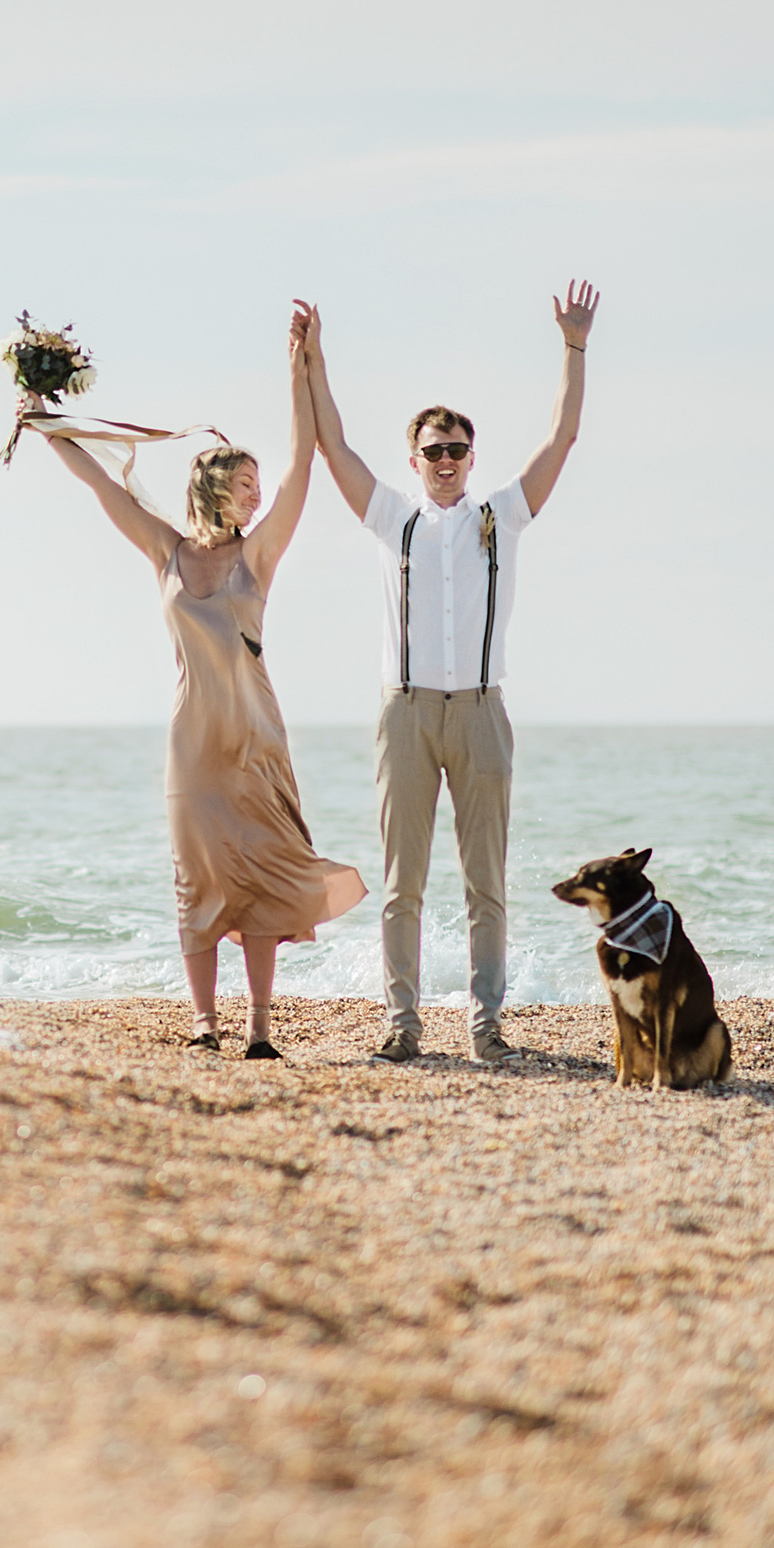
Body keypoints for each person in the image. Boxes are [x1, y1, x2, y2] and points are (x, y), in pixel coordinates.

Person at [30, 315, 366, 1059]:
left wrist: (300, 366)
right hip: (193, 746)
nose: (256, 496)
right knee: (198, 878)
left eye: (257, 486)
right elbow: (93, 480)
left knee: (259, 879)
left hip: (253, 740)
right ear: (214, 488)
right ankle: (204, 1024)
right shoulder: (168, 551)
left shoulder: (260, 555)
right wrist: (41, 413)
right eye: (244, 486)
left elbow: (304, 465)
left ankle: (259, 1030)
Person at [297, 282, 599, 1064]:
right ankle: (402, 1025)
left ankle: (486, 1025)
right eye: (431, 450)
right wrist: (314, 357)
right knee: (403, 884)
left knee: (485, 884)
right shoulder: (391, 515)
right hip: (404, 712)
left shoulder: (501, 515)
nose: (444, 461)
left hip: (480, 713)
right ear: (413, 458)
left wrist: (574, 345)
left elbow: (563, 441)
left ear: (472, 456)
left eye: (456, 449)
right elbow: (332, 445)